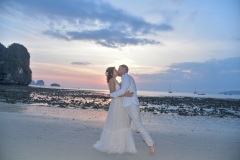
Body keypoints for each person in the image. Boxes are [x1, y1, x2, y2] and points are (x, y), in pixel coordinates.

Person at [110, 64, 156, 155]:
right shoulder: (124, 79)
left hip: (131, 104)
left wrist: (112, 95)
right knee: (126, 125)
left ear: (124, 69)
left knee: (138, 125)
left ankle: (151, 144)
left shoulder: (127, 77)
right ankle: (124, 144)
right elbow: (124, 90)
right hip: (127, 105)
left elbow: (123, 91)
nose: (118, 70)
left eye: (119, 68)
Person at [93, 67, 137, 154]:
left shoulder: (115, 80)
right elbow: (112, 94)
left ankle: (121, 144)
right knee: (116, 123)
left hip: (120, 103)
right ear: (112, 73)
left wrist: (123, 89)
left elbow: (119, 91)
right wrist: (125, 94)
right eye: (115, 70)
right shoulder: (112, 81)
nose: (117, 71)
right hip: (116, 104)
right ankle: (115, 144)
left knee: (122, 123)